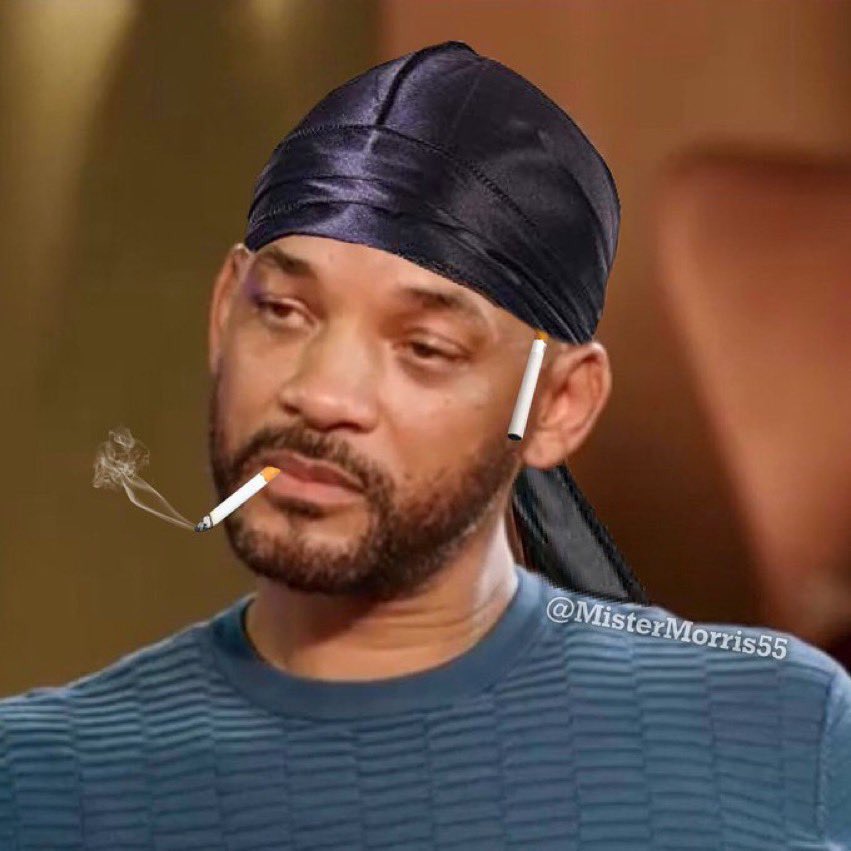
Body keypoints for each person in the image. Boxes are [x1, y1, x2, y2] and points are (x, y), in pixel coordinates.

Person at [1, 41, 849, 850]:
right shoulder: (42, 776)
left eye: (424, 347)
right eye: (284, 312)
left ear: (558, 405)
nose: (321, 393)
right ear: (225, 312)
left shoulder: (776, 730)